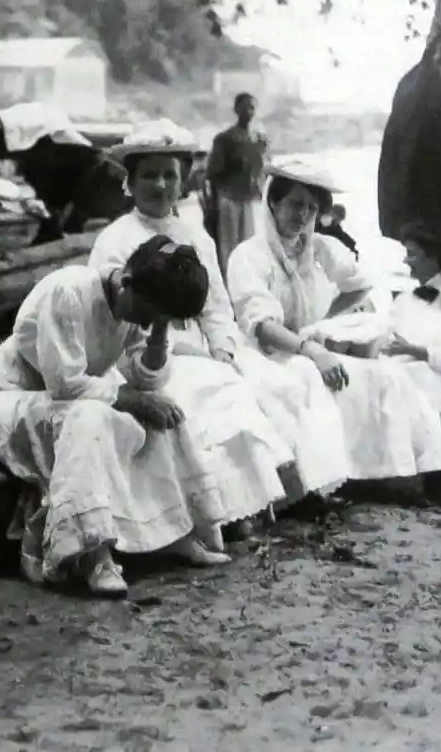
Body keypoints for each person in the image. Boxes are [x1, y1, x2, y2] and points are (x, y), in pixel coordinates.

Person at [0, 236, 232, 598]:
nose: (147, 323)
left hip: (67, 399)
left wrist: (160, 332)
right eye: (148, 314)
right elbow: (64, 384)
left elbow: (145, 379)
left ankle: (173, 531)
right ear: (126, 281)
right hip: (3, 398)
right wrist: (132, 400)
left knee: (163, 411)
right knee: (89, 419)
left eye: (158, 318)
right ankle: (93, 554)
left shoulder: (136, 305)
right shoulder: (69, 292)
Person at [91, 123, 339, 528]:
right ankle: (224, 511)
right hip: (149, 354)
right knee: (213, 396)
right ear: (130, 183)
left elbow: (217, 305)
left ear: (182, 182)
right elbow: (114, 316)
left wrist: (223, 348)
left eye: (169, 175)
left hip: (207, 346)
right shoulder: (115, 240)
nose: (160, 185)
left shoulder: (196, 237)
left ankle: (282, 493)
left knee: (272, 383)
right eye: (149, 175)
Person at [226, 161, 441, 511]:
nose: (302, 215)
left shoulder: (320, 249)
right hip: (265, 354)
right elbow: (260, 325)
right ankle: (312, 489)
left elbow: (361, 283)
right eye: (295, 204)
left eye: (311, 208)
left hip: (309, 348)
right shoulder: (248, 255)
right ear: (273, 202)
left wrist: (323, 322)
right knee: (307, 379)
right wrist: (312, 350)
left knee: (388, 375)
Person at [380, 221, 441, 420]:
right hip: (392, 397)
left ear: (432, 257)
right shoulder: (402, 301)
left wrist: (418, 352)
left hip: (433, 402)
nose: (406, 261)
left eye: (412, 254)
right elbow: (386, 343)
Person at [205, 92, 268, 279]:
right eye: (244, 107)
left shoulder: (258, 140)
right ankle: (228, 281)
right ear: (236, 109)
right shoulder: (224, 139)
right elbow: (213, 173)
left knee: (248, 244)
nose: (248, 111)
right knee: (229, 245)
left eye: (252, 108)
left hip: (249, 199)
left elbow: (261, 169)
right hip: (228, 197)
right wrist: (212, 203)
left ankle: (244, 280)